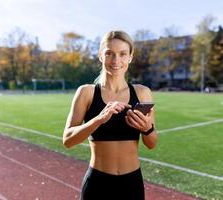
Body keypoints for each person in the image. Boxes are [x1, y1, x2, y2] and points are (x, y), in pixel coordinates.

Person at [62, 30, 158, 200]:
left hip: (132, 184)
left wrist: (147, 129)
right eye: (109, 54)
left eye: (122, 54)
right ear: (100, 56)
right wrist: (99, 119)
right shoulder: (86, 92)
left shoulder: (143, 92)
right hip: (98, 185)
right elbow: (68, 140)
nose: (116, 61)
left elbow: (151, 144)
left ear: (130, 57)